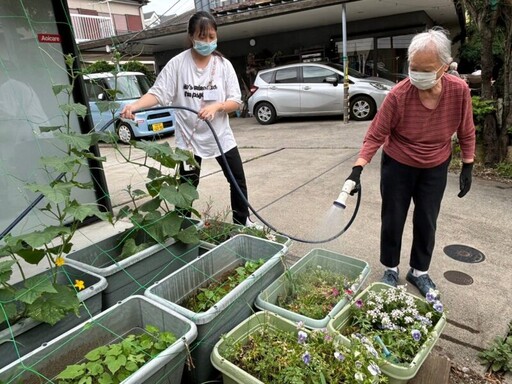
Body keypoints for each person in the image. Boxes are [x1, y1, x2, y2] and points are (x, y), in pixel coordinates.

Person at [343, 28, 475, 296]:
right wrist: (357, 170)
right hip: (398, 163)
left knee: (427, 218)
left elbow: (466, 130)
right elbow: (375, 135)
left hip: (435, 164)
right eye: (413, 68)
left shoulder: (458, 90)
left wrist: (468, 165)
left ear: (444, 67)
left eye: (425, 69)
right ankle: (390, 269)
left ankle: (419, 272)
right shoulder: (399, 95)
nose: (416, 74)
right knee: (393, 218)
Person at [121, 11, 254, 226]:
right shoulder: (177, 64)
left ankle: (242, 223)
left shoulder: (223, 65)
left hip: (220, 135)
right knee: (187, 185)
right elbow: (158, 93)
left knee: (237, 179)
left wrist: (217, 106)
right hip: (188, 139)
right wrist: (135, 106)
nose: (208, 41)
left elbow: (235, 101)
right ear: (191, 36)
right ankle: (184, 227)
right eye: (202, 37)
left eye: (212, 37)